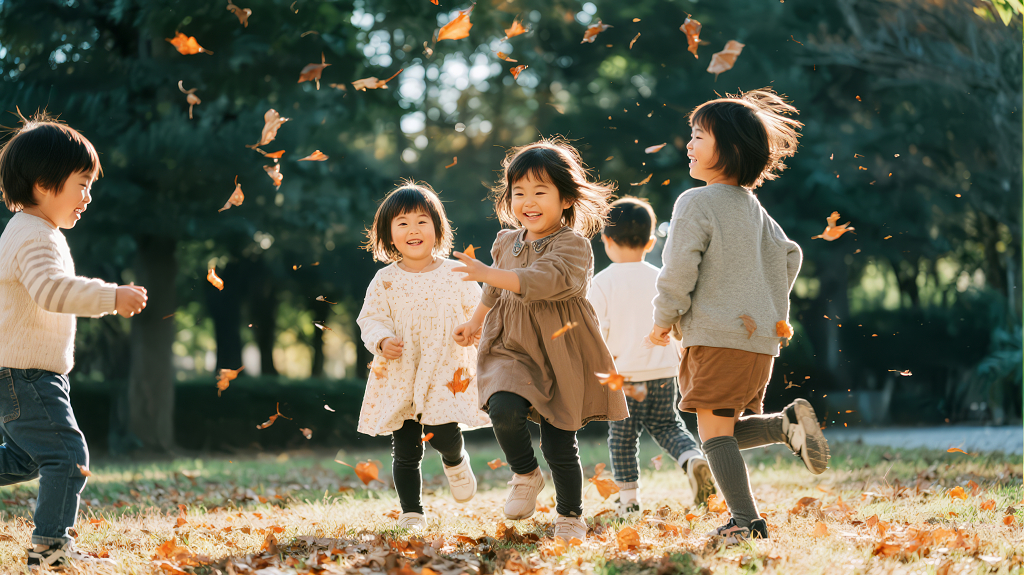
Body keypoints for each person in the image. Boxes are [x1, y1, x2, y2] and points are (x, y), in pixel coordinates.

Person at [649, 89, 830, 545]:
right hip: (759, 343)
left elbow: (678, 269)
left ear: (728, 148)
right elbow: (790, 255)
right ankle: (784, 426)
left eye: (698, 136)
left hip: (716, 337)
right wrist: (767, 305)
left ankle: (745, 522)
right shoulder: (756, 210)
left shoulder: (696, 202)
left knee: (713, 434)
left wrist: (663, 318)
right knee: (720, 430)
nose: (689, 144)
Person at [451, 138, 627, 542]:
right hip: (511, 344)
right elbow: (494, 290)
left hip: (559, 348)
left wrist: (490, 274)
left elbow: (544, 280)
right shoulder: (505, 241)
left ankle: (570, 515)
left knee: (559, 441)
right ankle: (525, 473)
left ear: (566, 199)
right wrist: (475, 321)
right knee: (502, 408)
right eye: (519, 192)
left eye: (540, 192)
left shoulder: (573, 245)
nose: (528, 201)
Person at [0, 116, 148, 568]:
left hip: (24, 372)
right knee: (67, 456)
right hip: (26, 374)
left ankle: (51, 545)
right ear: (44, 184)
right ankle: (50, 547)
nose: (88, 197)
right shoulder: (34, 236)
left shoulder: (31, 230)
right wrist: (111, 296)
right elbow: (51, 290)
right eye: (81, 185)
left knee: (26, 460)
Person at [357, 181, 491, 531]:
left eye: (421, 221)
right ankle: (412, 512)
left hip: (445, 370)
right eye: (402, 223)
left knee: (442, 432)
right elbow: (370, 319)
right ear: (389, 234)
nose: (413, 230)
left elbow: (478, 313)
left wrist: (473, 331)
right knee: (405, 447)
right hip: (401, 372)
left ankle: (455, 459)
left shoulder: (456, 274)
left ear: (437, 228)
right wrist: (381, 340)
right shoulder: (384, 280)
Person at [589, 197, 715, 515]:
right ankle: (692, 459)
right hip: (663, 371)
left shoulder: (601, 283)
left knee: (622, 438)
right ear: (650, 242)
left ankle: (629, 501)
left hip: (623, 377)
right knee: (668, 425)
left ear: (606, 240)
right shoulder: (662, 279)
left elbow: (594, 334)